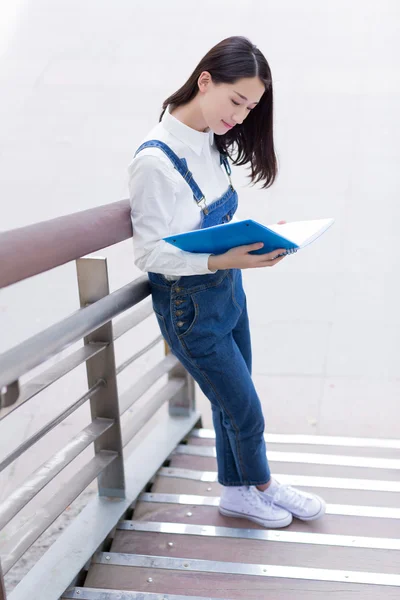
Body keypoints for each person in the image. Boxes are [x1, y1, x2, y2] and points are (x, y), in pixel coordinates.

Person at [128, 36, 326, 528]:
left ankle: (237, 493)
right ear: (205, 80)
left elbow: (203, 223)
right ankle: (262, 485)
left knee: (231, 401)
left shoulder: (211, 143)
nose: (240, 117)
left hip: (229, 294)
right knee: (244, 408)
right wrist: (224, 259)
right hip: (190, 310)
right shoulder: (155, 161)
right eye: (236, 101)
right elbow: (150, 253)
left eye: (251, 106)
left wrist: (254, 240)